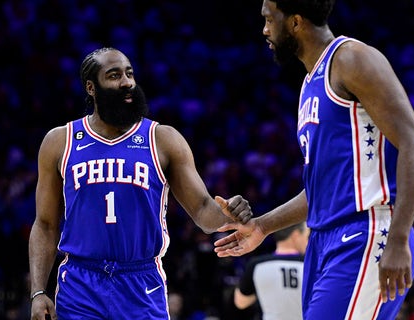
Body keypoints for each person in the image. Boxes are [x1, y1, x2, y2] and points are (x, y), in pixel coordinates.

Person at [214, 0, 414, 319]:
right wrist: (262, 226)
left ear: (296, 22)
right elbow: (320, 189)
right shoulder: (310, 83)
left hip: (366, 232)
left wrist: (397, 239)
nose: (264, 29)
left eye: (269, 20)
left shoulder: (352, 59)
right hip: (323, 239)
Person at [28, 47, 253, 320]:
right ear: (91, 87)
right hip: (80, 283)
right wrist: (39, 292)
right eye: (114, 75)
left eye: (129, 73)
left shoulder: (163, 139)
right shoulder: (60, 141)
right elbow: (45, 224)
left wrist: (227, 213)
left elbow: (203, 210)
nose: (126, 82)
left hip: (141, 280)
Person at [233, 222, 310, 319]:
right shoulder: (312, 266)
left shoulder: (256, 265)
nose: (308, 242)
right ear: (296, 235)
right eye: (307, 236)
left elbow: (240, 303)